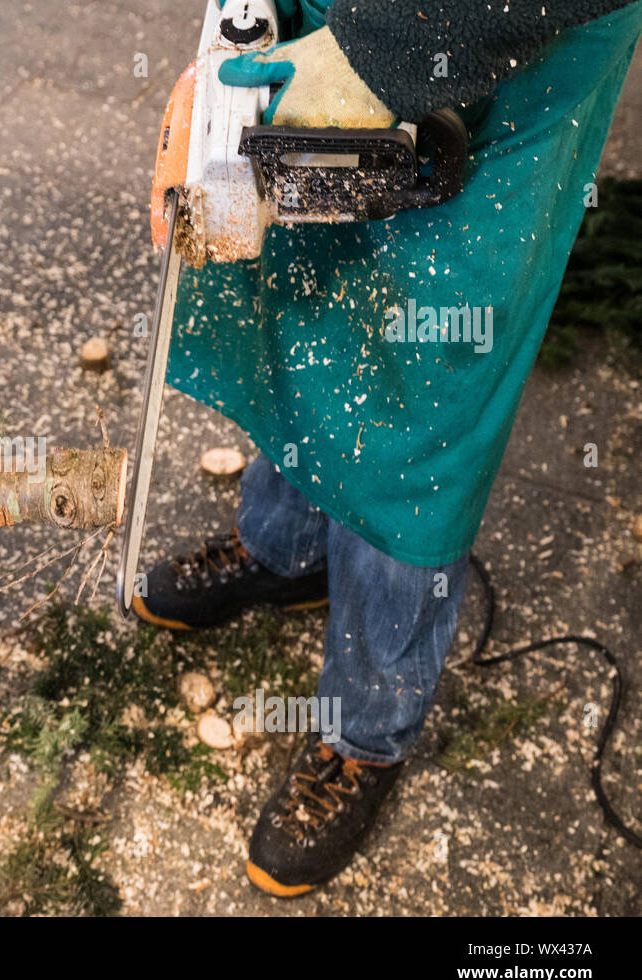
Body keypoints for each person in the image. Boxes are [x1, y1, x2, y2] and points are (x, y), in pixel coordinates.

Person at [135, 0, 642, 896]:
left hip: (499, 32)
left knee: (424, 384)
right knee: (310, 291)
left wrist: (388, 52)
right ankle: (288, 549)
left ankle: (367, 724)